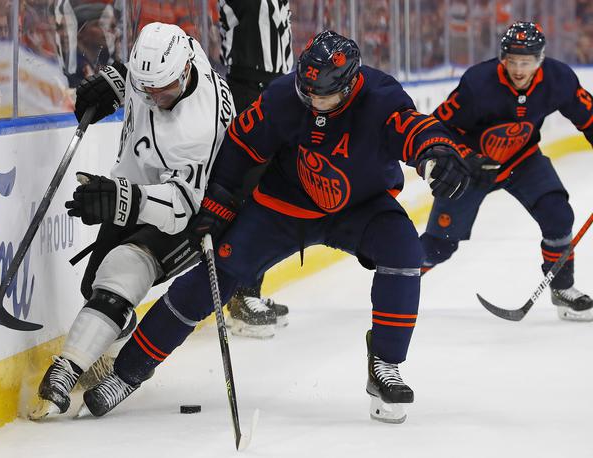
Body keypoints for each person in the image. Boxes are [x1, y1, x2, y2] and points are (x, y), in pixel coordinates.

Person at [79, 30, 472, 424]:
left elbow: (415, 130)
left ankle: (385, 363)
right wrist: (218, 203)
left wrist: (437, 154)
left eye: (325, 96)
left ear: (351, 85)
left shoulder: (381, 98)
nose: (314, 101)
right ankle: (126, 373)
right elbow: (240, 145)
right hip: (283, 208)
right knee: (215, 276)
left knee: (404, 250)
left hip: (360, 208)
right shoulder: (286, 95)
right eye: (308, 91)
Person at [30, 22, 235, 419]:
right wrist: (119, 80)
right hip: (140, 178)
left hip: (198, 211)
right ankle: (110, 329)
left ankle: (67, 368)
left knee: (125, 269)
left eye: (165, 89)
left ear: (188, 71)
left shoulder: (197, 127)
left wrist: (120, 201)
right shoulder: (175, 51)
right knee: (97, 285)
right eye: (147, 88)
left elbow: (179, 208)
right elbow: (149, 65)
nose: (155, 97)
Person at [420, 21, 593, 321]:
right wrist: (462, 157)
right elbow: (436, 128)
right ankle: (396, 282)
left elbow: (589, 117)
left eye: (525, 62)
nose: (518, 69)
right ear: (502, 58)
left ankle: (563, 290)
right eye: (512, 60)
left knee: (558, 214)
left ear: (540, 60)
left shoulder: (558, 79)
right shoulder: (478, 84)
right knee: (438, 247)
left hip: (522, 161)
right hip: (470, 169)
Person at [218, 0, 294, 338]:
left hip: (274, 86)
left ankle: (249, 289)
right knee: (250, 194)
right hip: (250, 88)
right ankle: (240, 294)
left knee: (269, 192)